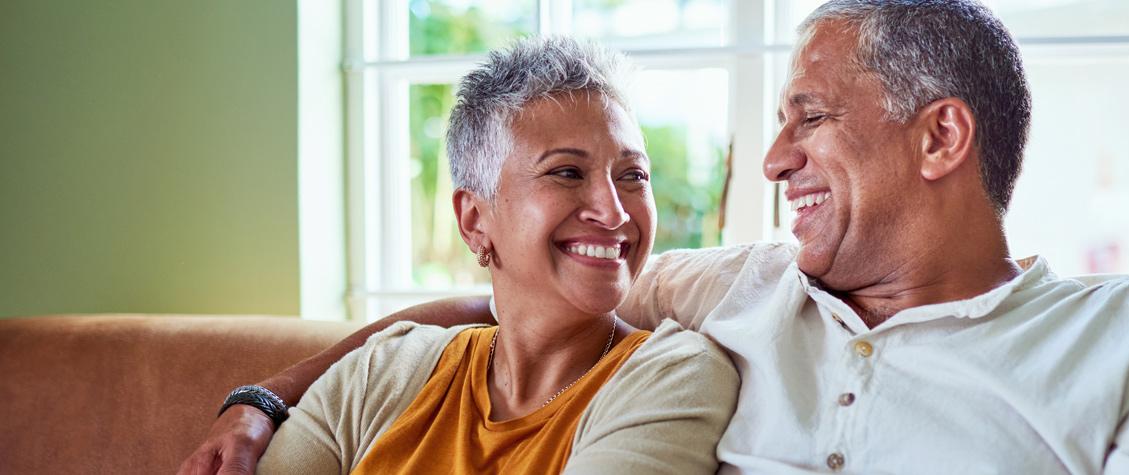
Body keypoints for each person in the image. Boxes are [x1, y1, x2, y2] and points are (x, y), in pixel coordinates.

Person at [184, 1, 1129, 473]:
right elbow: (513, 301)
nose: (773, 158)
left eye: (809, 116)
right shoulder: (740, 289)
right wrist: (268, 394)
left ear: (940, 135)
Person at [193, 37, 740, 474]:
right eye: (567, 172)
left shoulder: (676, 376)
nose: (614, 210)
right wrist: (257, 399)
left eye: (633, 175)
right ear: (474, 220)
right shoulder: (380, 372)